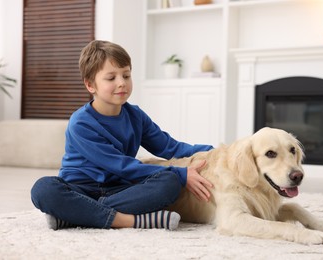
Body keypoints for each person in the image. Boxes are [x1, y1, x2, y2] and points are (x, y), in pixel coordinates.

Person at [31, 40, 214, 231]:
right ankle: (130, 221)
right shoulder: (81, 122)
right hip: (80, 188)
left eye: (126, 75)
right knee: (43, 189)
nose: (121, 83)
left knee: (169, 183)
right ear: (90, 85)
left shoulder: (136, 116)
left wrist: (214, 151)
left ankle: (75, 217)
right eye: (111, 78)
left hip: (119, 190)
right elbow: (122, 166)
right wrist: (181, 173)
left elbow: (171, 148)